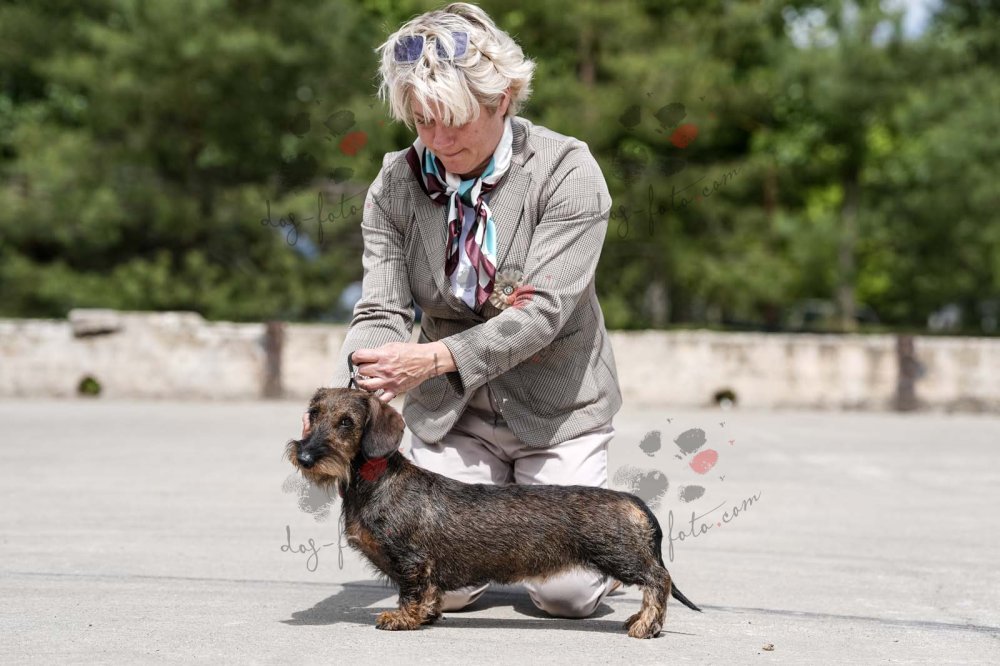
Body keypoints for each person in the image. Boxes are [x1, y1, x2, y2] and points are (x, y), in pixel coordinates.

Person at [316, 2, 623, 619]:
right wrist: (359, 381)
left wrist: (432, 358)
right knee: (442, 588)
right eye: (421, 121)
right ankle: (498, 524)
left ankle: (564, 511)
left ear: (503, 98)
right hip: (452, 415)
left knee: (568, 595)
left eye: (454, 119)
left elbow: (542, 313)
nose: (438, 139)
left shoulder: (568, 170)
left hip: (555, 410)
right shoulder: (394, 185)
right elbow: (380, 309)